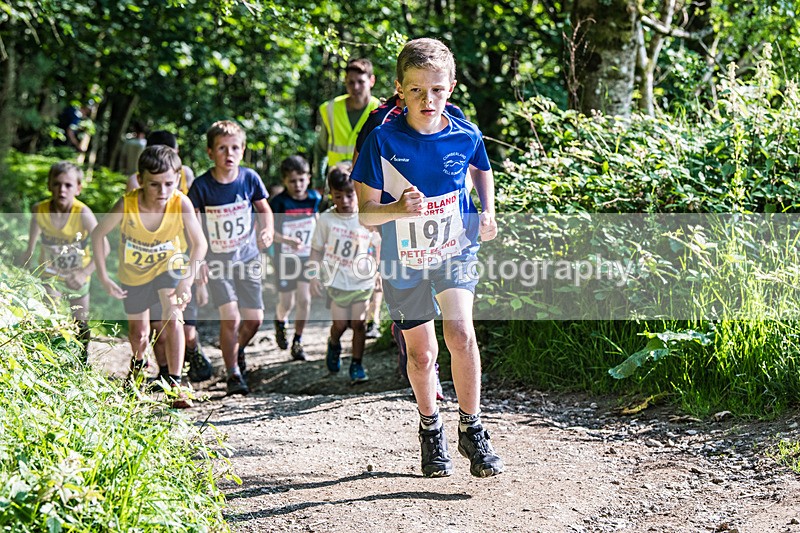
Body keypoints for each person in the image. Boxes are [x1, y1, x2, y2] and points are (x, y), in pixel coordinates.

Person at [352, 38, 504, 478]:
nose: (427, 100)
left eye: (437, 89)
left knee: (461, 332)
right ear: (399, 89)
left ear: (450, 88)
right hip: (403, 259)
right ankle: (431, 427)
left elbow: (481, 168)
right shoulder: (382, 140)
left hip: (455, 248)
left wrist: (488, 211)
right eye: (416, 90)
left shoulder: (465, 133)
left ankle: (472, 429)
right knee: (421, 355)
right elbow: (365, 214)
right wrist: (398, 208)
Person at [92, 145, 208, 409]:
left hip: (170, 267)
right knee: (139, 334)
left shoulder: (181, 203)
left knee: (173, 316)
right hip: (134, 274)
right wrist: (103, 276)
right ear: (140, 180)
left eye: (169, 183)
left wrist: (186, 280)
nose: (162, 191)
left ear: (178, 179)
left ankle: (175, 384)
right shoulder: (127, 204)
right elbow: (98, 235)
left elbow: (200, 244)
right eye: (154, 184)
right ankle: (137, 366)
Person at [187, 120, 274, 396]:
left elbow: (264, 209)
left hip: (247, 259)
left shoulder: (249, 178)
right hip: (217, 263)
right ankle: (233, 374)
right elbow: (192, 227)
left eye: (235, 148)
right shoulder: (201, 186)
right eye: (222, 148)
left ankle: (235, 351)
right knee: (231, 317)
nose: (229, 154)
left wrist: (268, 230)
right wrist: (199, 261)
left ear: (243, 149)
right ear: (210, 152)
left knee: (255, 319)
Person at [125, 130, 212, 383]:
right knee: (158, 325)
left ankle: (192, 351)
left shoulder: (186, 177)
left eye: (170, 154)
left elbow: (195, 219)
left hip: (182, 256)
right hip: (151, 259)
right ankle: (167, 374)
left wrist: (200, 263)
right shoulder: (135, 182)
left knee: (185, 326)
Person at [20, 161, 104, 359]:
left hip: (78, 274)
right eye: (57, 184)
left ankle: (82, 359)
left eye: (68, 185)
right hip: (50, 273)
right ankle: (51, 356)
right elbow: (31, 245)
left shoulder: (83, 213)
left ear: (78, 188)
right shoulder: (39, 210)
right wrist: (26, 261)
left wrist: (84, 273)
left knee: (80, 322)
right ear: (49, 185)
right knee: (50, 314)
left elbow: (104, 247)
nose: (62, 190)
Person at [309, 164, 377, 383]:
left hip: (362, 281)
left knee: (358, 324)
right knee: (340, 325)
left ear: (358, 192)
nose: (345, 201)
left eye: (350, 195)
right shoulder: (326, 220)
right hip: (336, 281)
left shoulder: (367, 216)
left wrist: (380, 273)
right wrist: (313, 275)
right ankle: (334, 343)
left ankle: (357, 364)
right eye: (338, 196)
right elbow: (316, 250)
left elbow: (378, 246)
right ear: (331, 195)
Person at [269, 155, 321, 361]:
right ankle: (280, 321)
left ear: (308, 178)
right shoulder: (278, 202)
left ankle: (298, 341)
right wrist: (286, 240)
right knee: (287, 302)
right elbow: (268, 232)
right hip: (285, 259)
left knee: (305, 299)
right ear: (284, 181)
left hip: (306, 257)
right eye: (292, 181)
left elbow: (316, 220)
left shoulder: (314, 198)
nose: (297, 185)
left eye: (301, 180)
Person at [314, 58, 380, 188]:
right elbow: (321, 150)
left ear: (371, 81)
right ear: (345, 81)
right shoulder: (330, 109)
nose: (355, 87)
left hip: (368, 184)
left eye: (361, 82)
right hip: (336, 184)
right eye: (351, 82)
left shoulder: (380, 110)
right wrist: (318, 182)